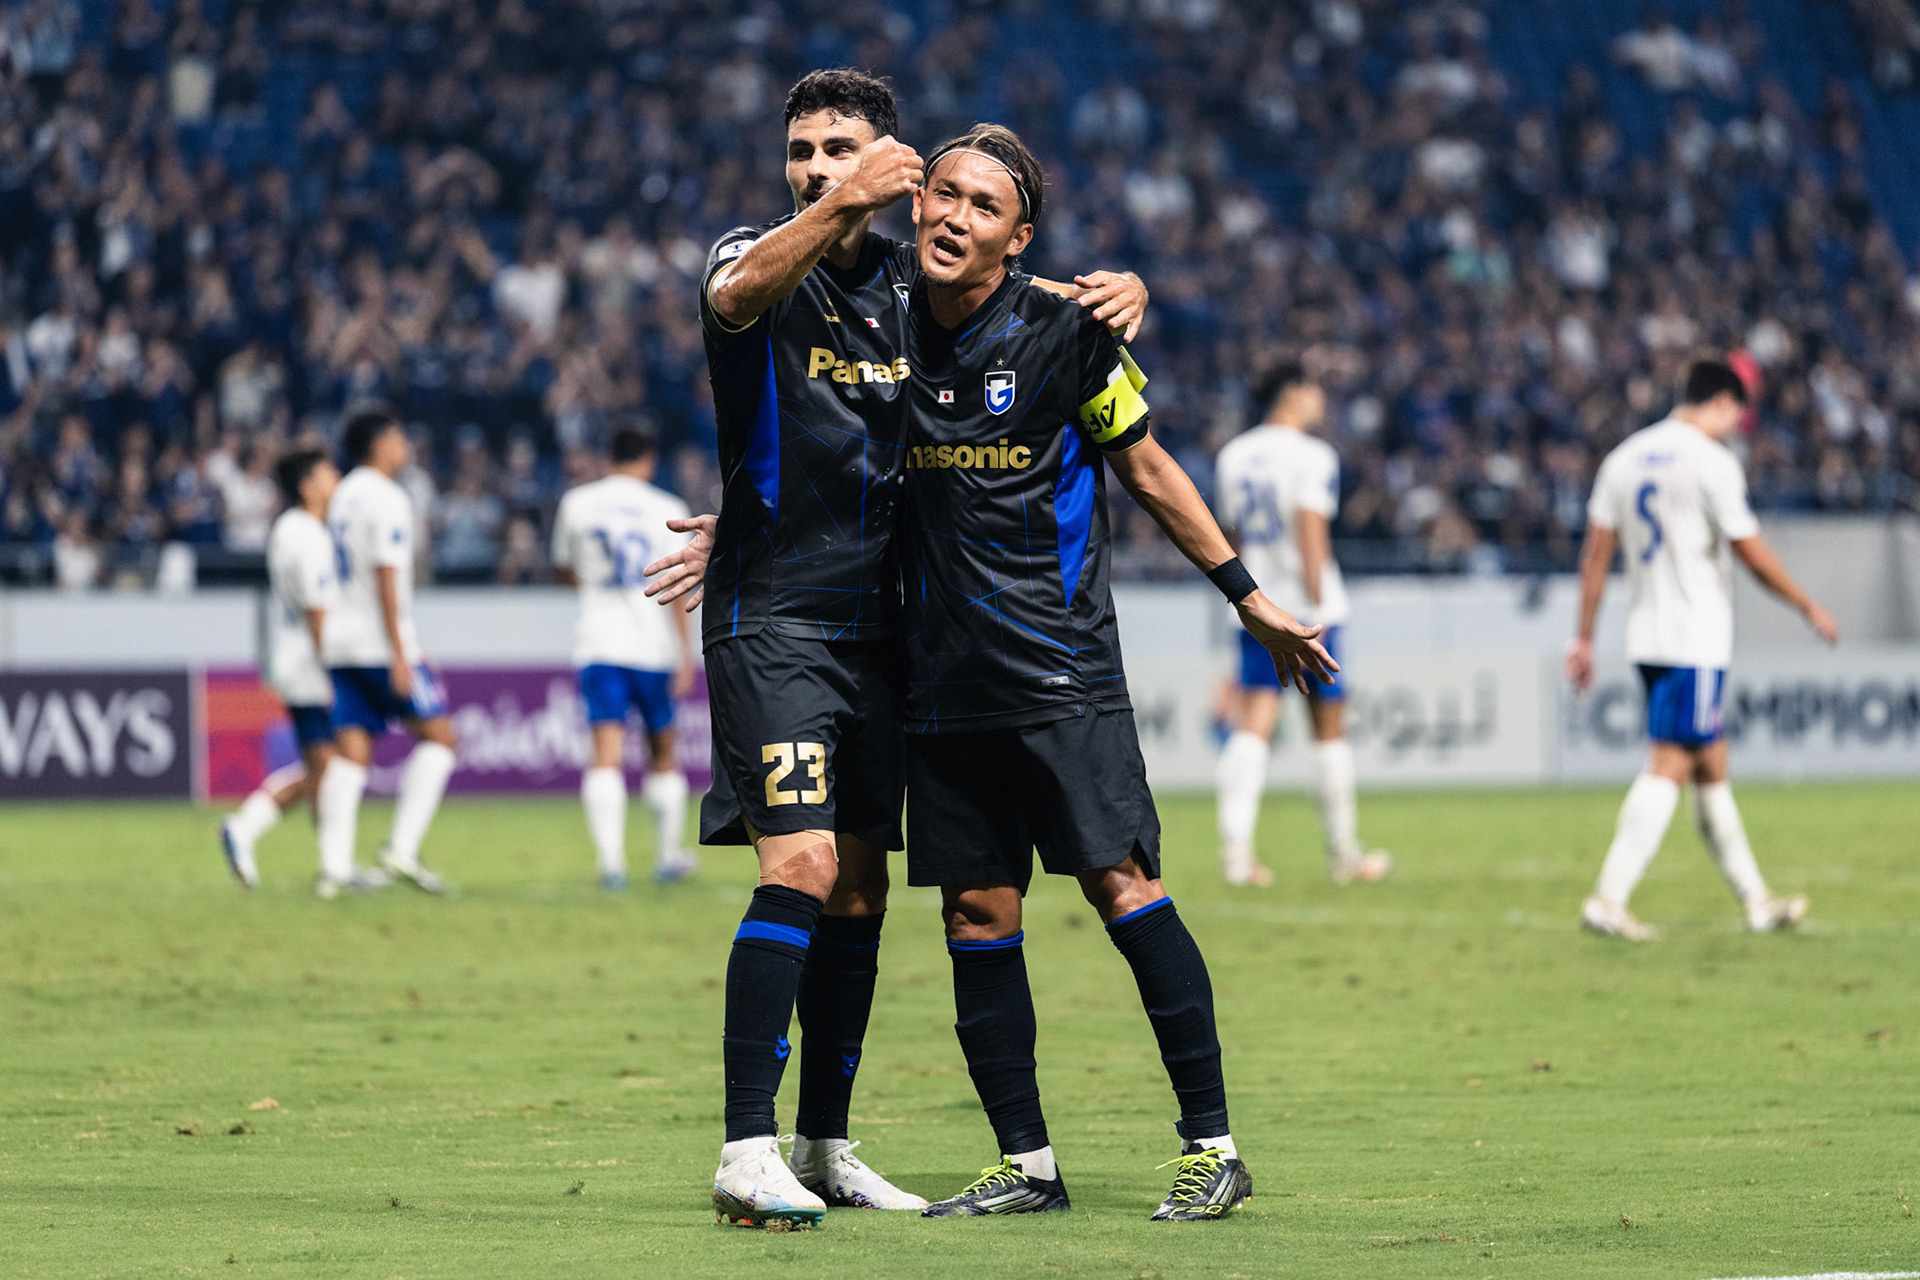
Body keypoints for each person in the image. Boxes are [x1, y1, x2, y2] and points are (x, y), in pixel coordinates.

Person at [644, 69, 1148, 1229]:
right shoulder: (760, 258)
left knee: (863, 891)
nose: (817, 169)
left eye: (842, 150)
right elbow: (730, 299)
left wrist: (1130, 293)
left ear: (900, 166)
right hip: (776, 620)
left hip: (890, 635)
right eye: (802, 151)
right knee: (805, 865)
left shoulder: (913, 302)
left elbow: (1004, 351)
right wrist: (835, 207)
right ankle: (743, 1144)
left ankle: (823, 1141)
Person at [891, 124, 1334, 1221]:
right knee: (976, 915)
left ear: (1019, 237)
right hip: (942, 682)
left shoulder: (1066, 331)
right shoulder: (875, 318)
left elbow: (1145, 465)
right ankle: (1027, 1163)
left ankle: (1213, 1144)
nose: (954, 215)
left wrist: (1249, 592)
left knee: (1123, 887)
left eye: (983, 207)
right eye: (943, 193)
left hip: (1059, 671)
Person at [1567, 359, 1838, 940]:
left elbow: (1595, 557)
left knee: (1712, 765)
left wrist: (1583, 637)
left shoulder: (1623, 458)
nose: (1737, 428)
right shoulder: (1712, 463)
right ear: (1720, 402)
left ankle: (1756, 901)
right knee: (1673, 760)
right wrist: (1806, 604)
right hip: (1695, 638)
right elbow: (1751, 551)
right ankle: (1609, 898)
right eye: (1737, 416)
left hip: (1648, 636)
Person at [1213, 363, 1391, 888]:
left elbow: (1229, 539)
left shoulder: (1233, 455)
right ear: (1291, 394)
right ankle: (1343, 855)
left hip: (1257, 607)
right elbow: (1313, 534)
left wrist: (1248, 599)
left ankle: (1237, 854)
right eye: (1315, 389)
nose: (1321, 399)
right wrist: (1316, 610)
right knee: (1329, 729)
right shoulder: (1313, 456)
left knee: (1253, 727)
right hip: (1312, 613)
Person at [313, 406, 459, 899]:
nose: (404, 447)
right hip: (378, 642)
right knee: (440, 739)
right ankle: (401, 847)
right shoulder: (387, 497)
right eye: (397, 439)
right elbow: (386, 577)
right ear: (378, 444)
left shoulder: (343, 494)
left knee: (352, 753)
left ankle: (333, 869)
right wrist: (403, 651)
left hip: (341, 640)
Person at [550, 423, 698, 890]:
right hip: (653, 647)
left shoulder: (577, 502)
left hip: (599, 642)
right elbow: (677, 586)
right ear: (649, 460)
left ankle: (611, 864)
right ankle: (668, 855)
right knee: (663, 753)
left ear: (607, 457)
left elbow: (563, 569)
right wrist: (685, 651)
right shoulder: (668, 508)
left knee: (605, 753)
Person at [220, 448, 340, 888]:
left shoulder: (292, 530)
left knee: (324, 767)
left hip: (294, 658)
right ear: (308, 485)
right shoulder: (308, 534)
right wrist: (337, 664)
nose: (336, 478)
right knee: (334, 766)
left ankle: (248, 829)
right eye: (329, 471)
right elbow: (316, 607)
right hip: (310, 664)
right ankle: (334, 867)